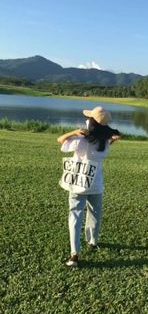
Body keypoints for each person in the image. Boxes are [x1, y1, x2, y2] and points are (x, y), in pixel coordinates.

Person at [57, 106, 121, 267]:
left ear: (90, 121)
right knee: (95, 213)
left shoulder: (81, 138)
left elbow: (60, 141)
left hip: (78, 182)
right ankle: (92, 241)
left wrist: (73, 132)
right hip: (96, 183)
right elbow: (104, 148)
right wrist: (112, 139)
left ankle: (74, 253)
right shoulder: (103, 142)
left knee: (75, 215)